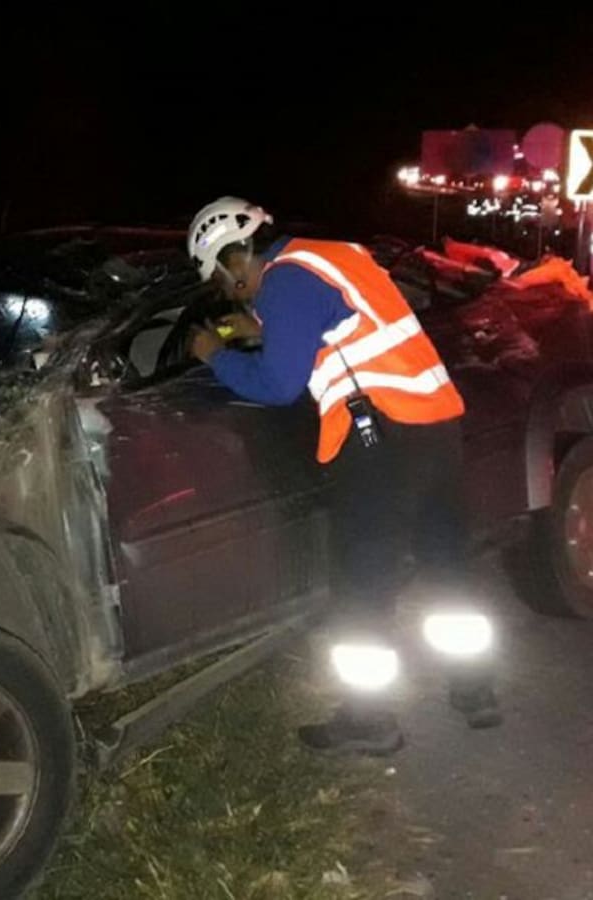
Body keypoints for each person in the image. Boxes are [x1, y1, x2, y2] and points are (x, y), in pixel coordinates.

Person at [184, 196, 500, 754]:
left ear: (236, 261)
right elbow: (334, 334)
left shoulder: (285, 282)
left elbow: (279, 386)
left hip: (382, 446)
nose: (236, 294)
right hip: (435, 429)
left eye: (226, 283)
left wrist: (214, 354)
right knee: (447, 564)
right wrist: (255, 332)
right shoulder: (332, 258)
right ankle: (476, 692)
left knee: (363, 585)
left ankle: (368, 722)